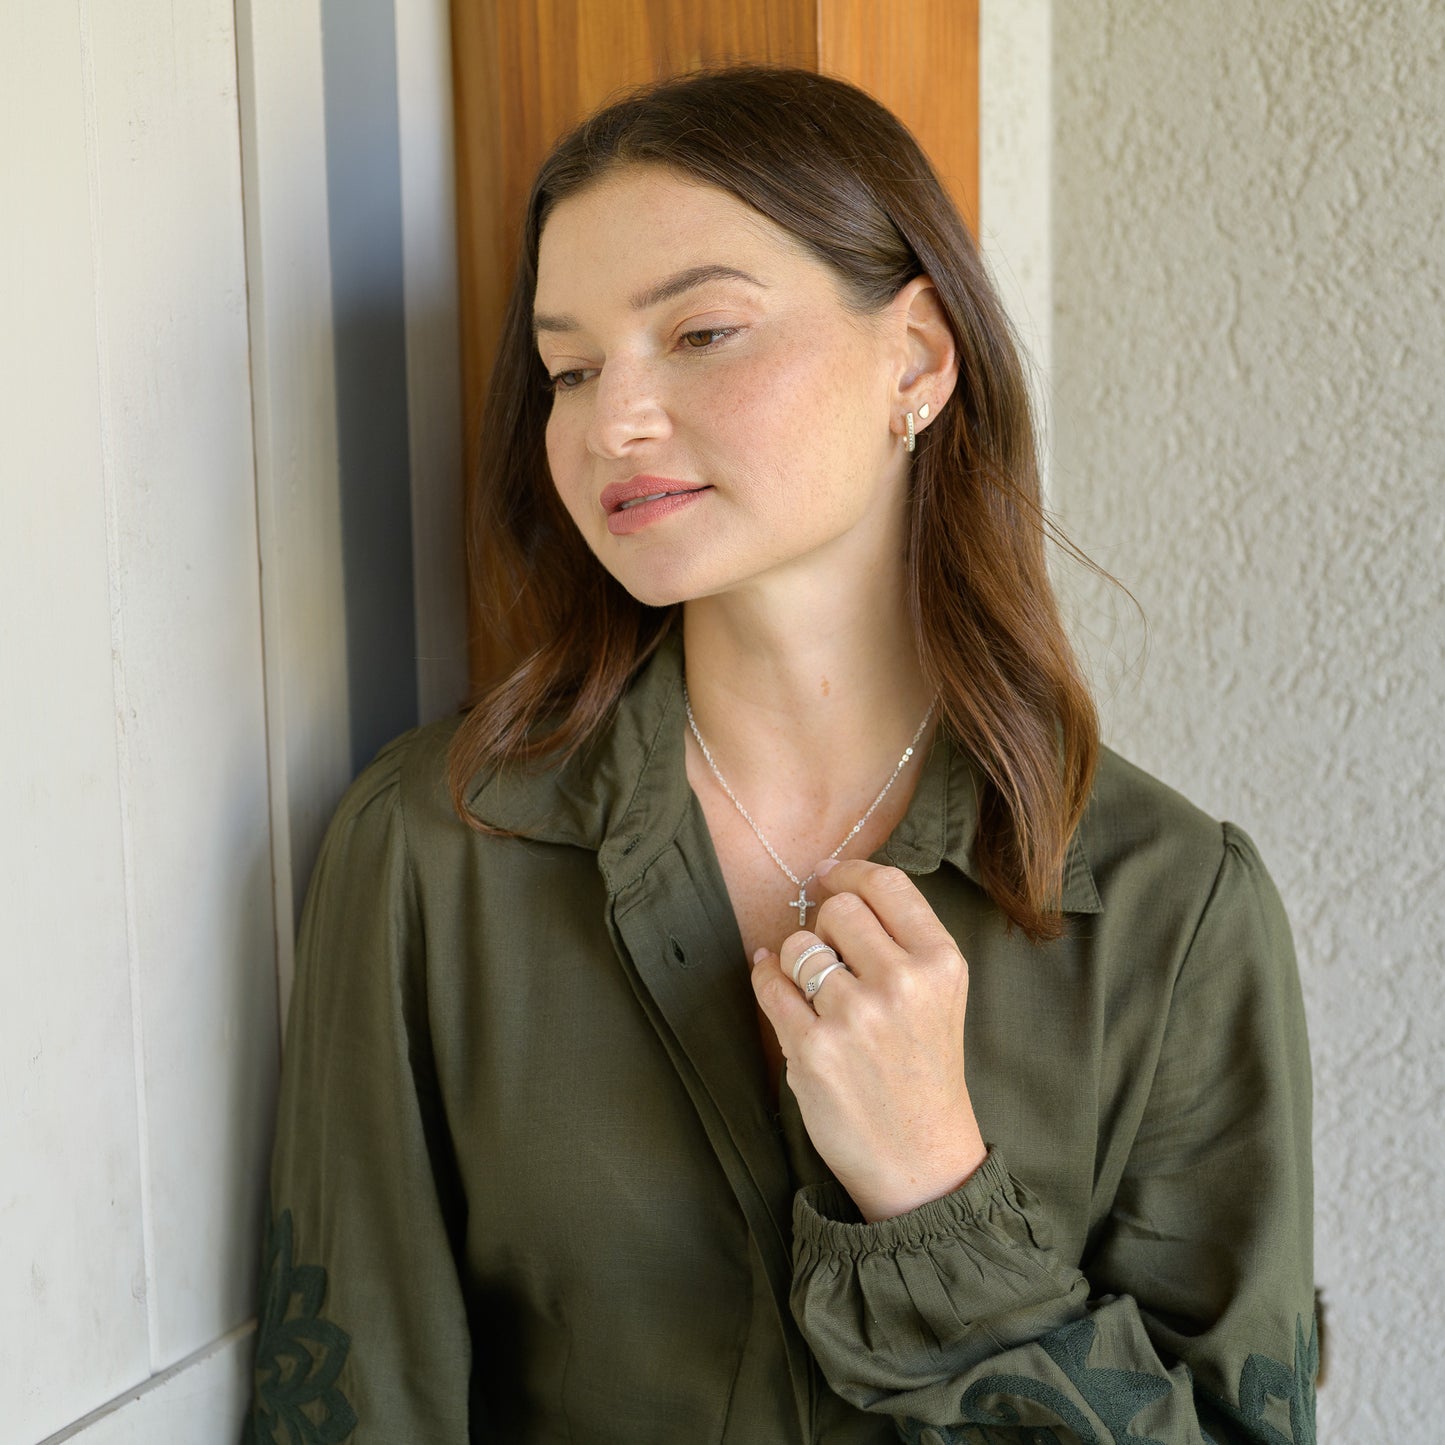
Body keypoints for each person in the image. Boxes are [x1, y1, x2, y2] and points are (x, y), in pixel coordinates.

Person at [245, 65, 1316, 1445]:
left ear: (915, 358)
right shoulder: (430, 849)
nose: (611, 422)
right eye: (571, 369)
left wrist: (934, 1194)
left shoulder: (1174, 910)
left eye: (700, 332)